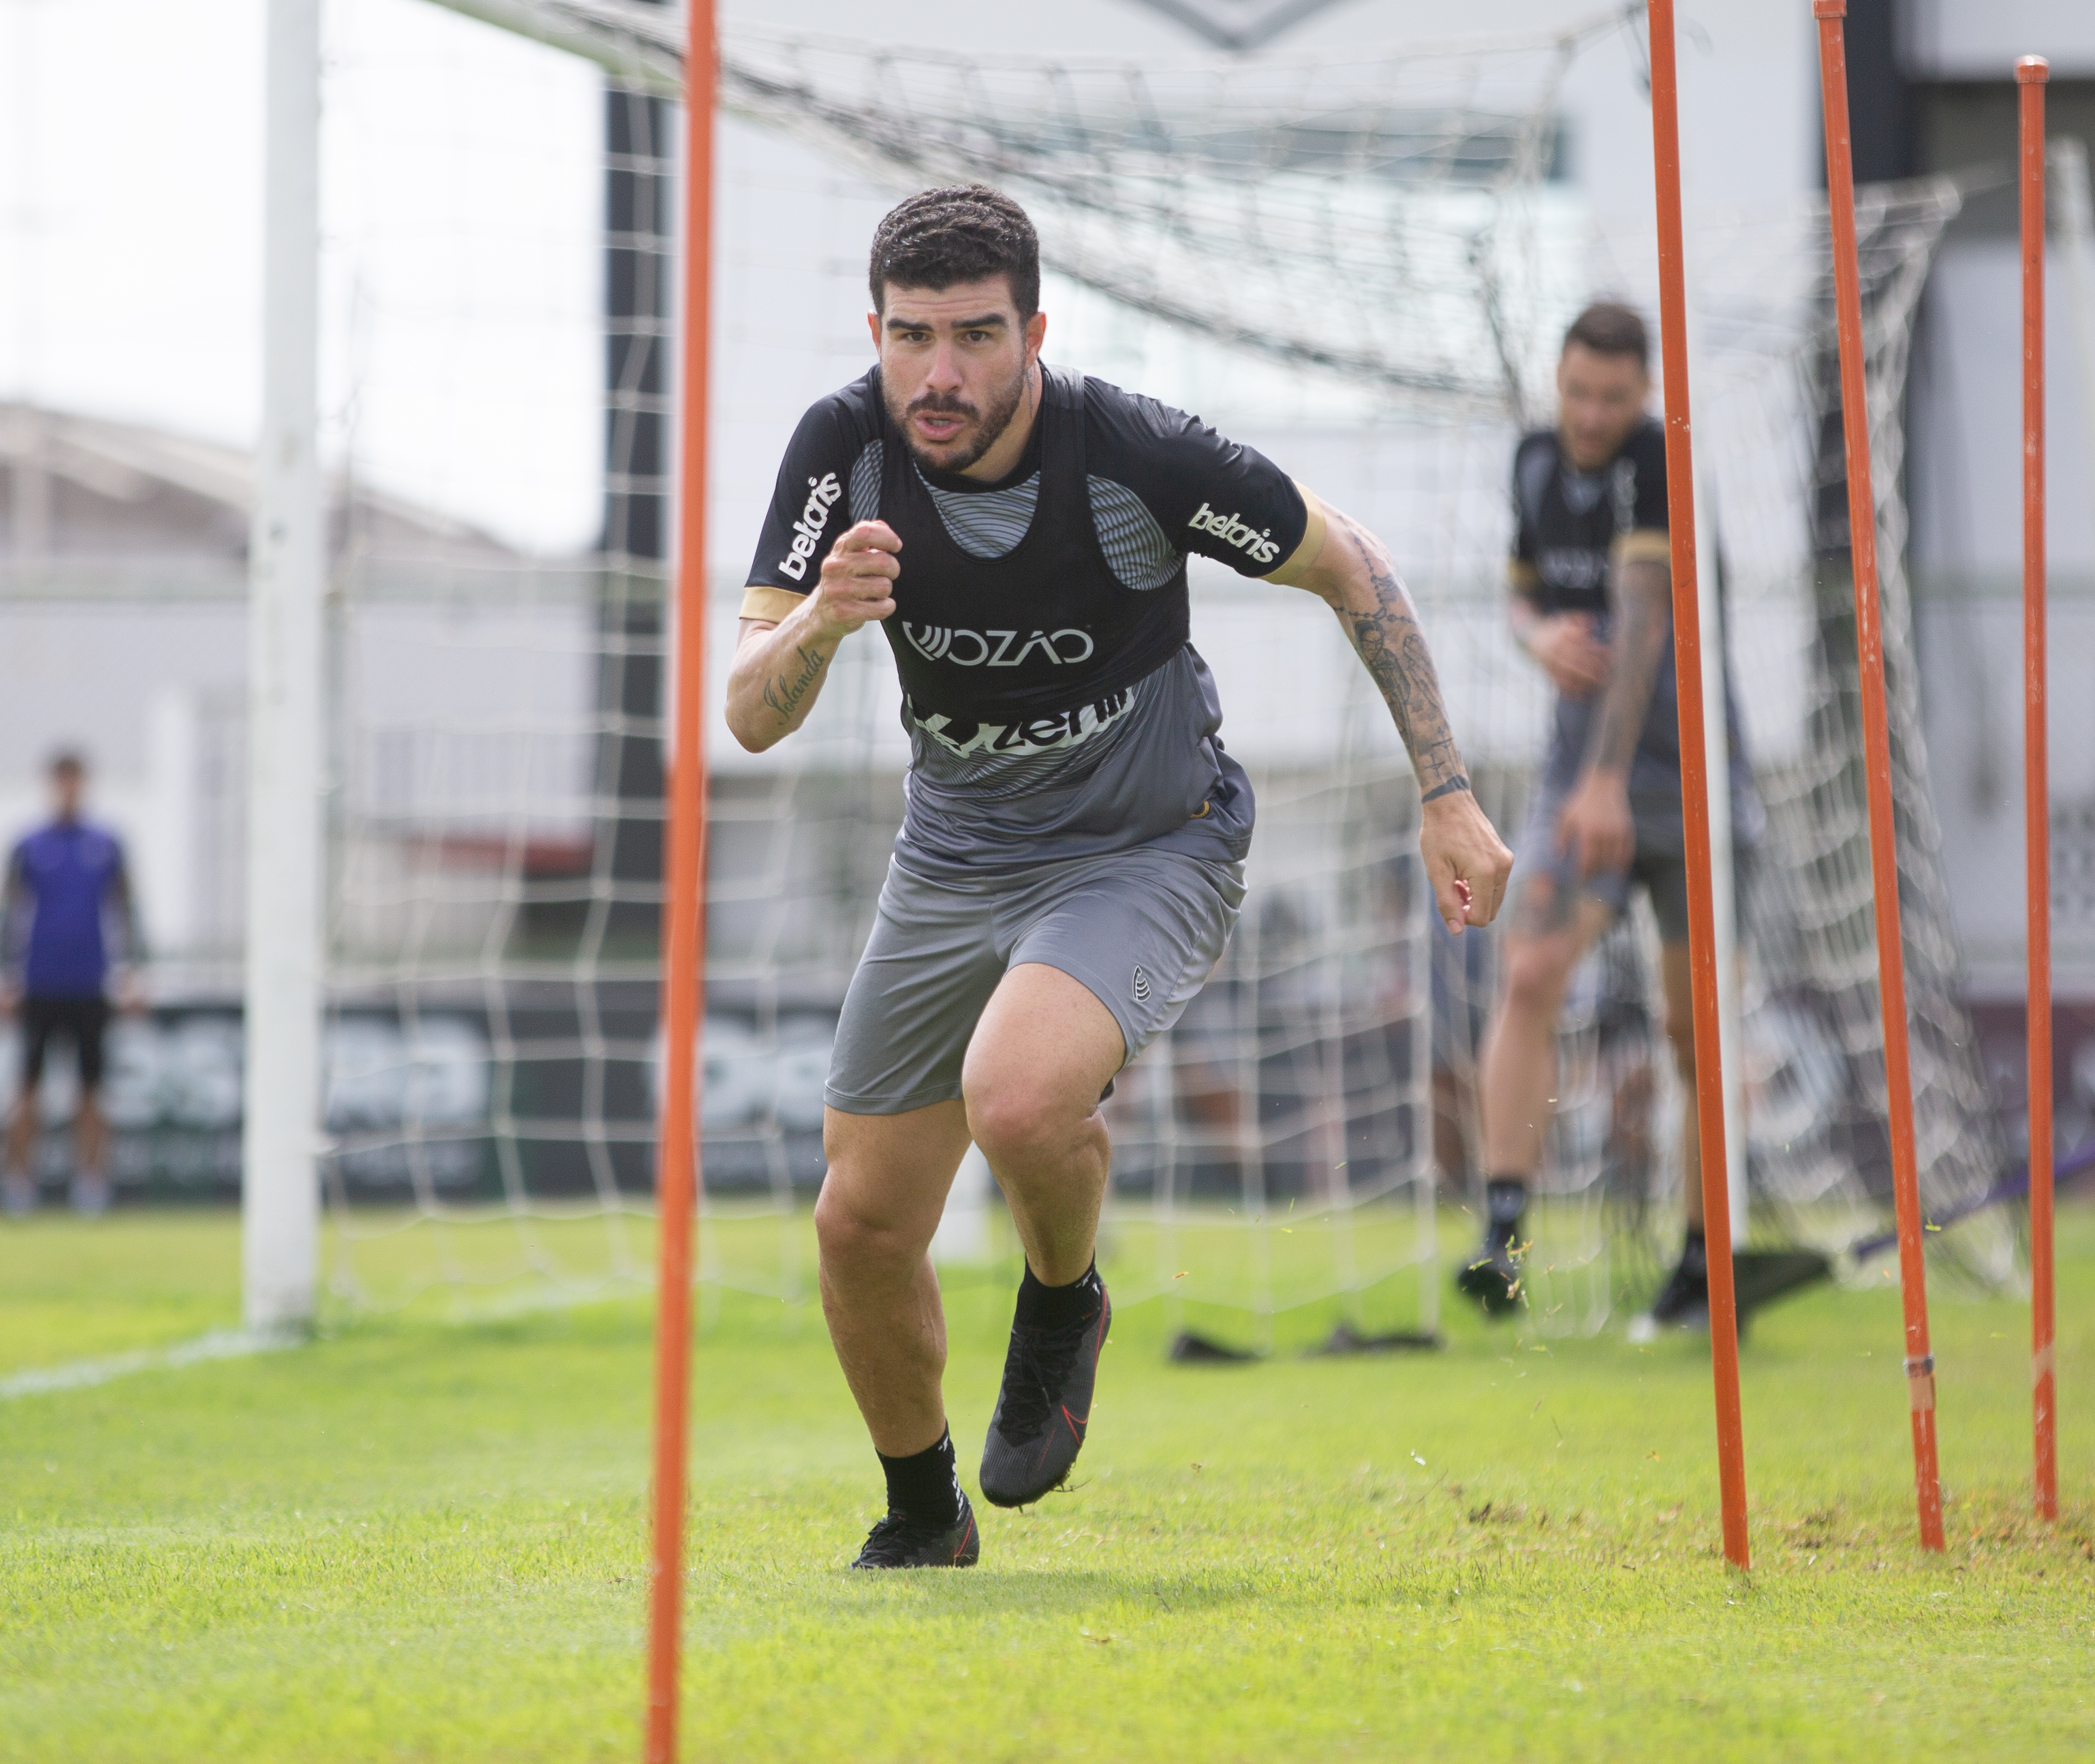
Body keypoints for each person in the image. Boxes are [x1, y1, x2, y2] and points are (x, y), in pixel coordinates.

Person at [729, 186, 1510, 1570]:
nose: (942, 374)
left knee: (1019, 1095)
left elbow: (1355, 566)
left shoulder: (1136, 451)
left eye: (976, 336)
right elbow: (747, 710)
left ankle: (1061, 1291)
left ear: (1037, 329)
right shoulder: (839, 449)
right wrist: (821, 631)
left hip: (1149, 843)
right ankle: (923, 1516)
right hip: (954, 851)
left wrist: (1445, 793)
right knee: (857, 1221)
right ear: (876, 331)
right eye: (913, 337)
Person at [1464, 301, 1748, 1332]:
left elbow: (1641, 616)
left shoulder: (1653, 460)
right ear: (1558, 379)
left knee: (1690, 1029)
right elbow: (1520, 589)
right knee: (1528, 970)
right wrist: (1536, 635)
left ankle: (1700, 1258)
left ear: (1645, 392)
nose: (1591, 415)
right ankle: (1499, 1236)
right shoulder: (1536, 461)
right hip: (1574, 771)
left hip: (1685, 780)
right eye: (1578, 392)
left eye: (1613, 398)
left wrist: (1608, 777)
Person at [0, 748, 147, 1218]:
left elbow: (127, 909)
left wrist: (133, 971)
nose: (68, 789)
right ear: (50, 784)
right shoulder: (28, 845)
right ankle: (18, 1185)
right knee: (27, 1088)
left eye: (75, 780)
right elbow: (5, 911)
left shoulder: (107, 843)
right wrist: (0, 975)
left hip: (90, 983)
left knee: (92, 1090)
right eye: (61, 781)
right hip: (39, 982)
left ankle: (91, 1185)